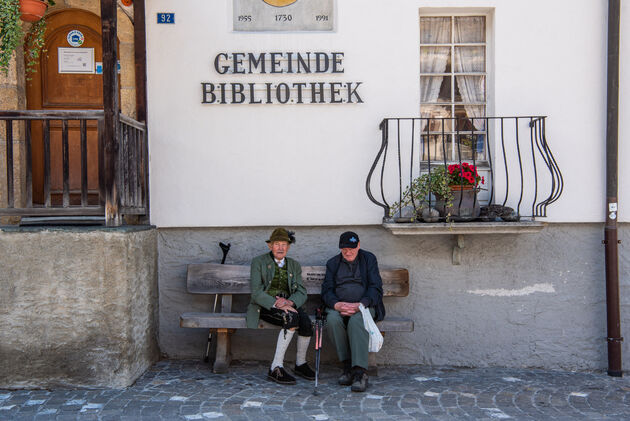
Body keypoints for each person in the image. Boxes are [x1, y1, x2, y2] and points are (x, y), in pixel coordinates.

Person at [246, 227, 316, 385]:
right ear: (270, 246)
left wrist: (289, 302)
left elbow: (301, 291)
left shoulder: (294, 265)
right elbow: (256, 292)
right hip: (265, 305)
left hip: (289, 305)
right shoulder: (258, 262)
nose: (280, 248)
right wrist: (277, 303)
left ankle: (300, 364)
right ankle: (275, 367)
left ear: (288, 247)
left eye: (284, 244)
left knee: (306, 323)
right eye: (277, 244)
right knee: (291, 318)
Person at [321, 231, 385, 392]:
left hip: (364, 306)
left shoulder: (368, 259)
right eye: (344, 249)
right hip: (340, 306)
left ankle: (359, 373)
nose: (348, 252)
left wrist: (361, 305)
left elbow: (375, 288)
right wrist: (336, 305)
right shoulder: (333, 263)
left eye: (352, 248)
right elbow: (327, 290)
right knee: (332, 319)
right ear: (340, 248)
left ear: (359, 245)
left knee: (358, 320)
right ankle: (347, 367)